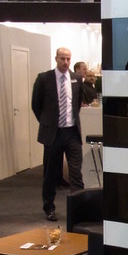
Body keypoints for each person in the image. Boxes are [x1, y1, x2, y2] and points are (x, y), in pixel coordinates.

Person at [31, 47, 84, 221]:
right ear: (56, 59)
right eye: (62, 58)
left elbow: (77, 104)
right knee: (50, 173)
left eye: (68, 59)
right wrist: (47, 123)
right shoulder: (44, 78)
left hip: (72, 132)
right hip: (53, 134)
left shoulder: (76, 79)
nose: (65, 62)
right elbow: (36, 105)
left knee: (76, 173)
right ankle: (49, 207)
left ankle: (78, 209)